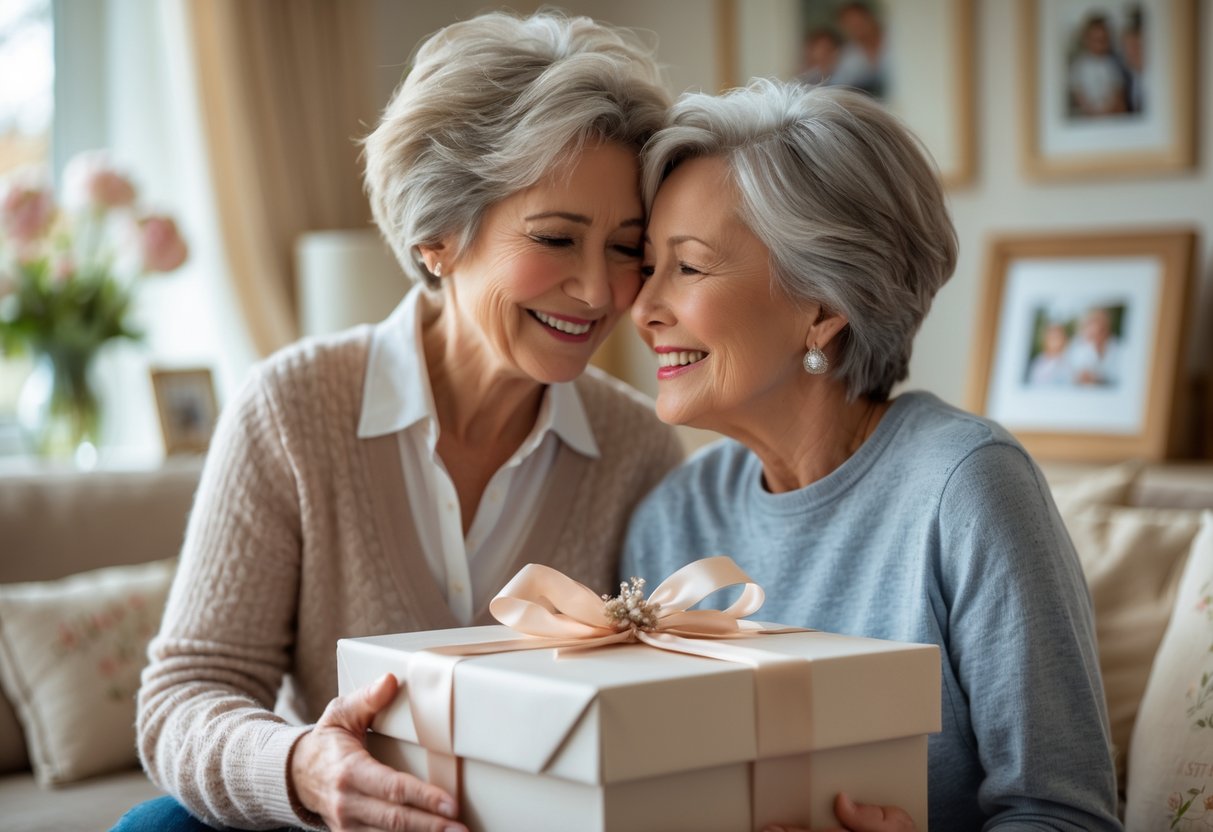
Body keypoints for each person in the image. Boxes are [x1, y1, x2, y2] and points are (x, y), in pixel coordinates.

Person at [114, 11, 681, 832]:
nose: (597, 292)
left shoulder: (639, 451)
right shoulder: (294, 409)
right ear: (437, 237)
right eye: (556, 238)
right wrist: (302, 765)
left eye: (626, 248)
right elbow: (186, 692)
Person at [622, 80, 1121, 830]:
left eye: (687, 268)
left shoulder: (967, 485)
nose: (641, 308)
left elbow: (1065, 815)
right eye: (647, 265)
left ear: (821, 307)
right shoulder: (672, 519)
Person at [1068, 12, 1128, 117]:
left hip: (1112, 117)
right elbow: (1078, 96)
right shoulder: (1078, 66)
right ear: (1086, 39)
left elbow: (1118, 93)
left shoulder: (1114, 63)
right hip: (1087, 117)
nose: (1099, 44)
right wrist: (1093, 114)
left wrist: (1108, 112)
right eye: (1095, 40)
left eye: (1103, 40)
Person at [1069, 305, 1123, 386]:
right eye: (1093, 334)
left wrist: (1098, 379)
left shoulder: (1118, 347)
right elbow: (1074, 375)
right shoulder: (1080, 347)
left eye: (1101, 331)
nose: (1096, 336)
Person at [1027, 320, 1074, 386]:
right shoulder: (1037, 363)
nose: (1054, 341)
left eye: (1057, 337)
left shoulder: (1070, 363)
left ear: (1064, 339)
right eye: (1051, 336)